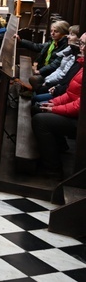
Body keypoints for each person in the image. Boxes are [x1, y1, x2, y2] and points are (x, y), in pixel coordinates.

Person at [31, 32, 84, 178]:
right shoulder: (82, 64)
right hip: (75, 113)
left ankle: (53, 168)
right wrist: (53, 103)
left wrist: (54, 109)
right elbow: (71, 94)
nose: (81, 47)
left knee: (41, 120)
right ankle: (56, 147)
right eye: (80, 43)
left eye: (83, 44)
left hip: (81, 122)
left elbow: (80, 105)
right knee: (39, 107)